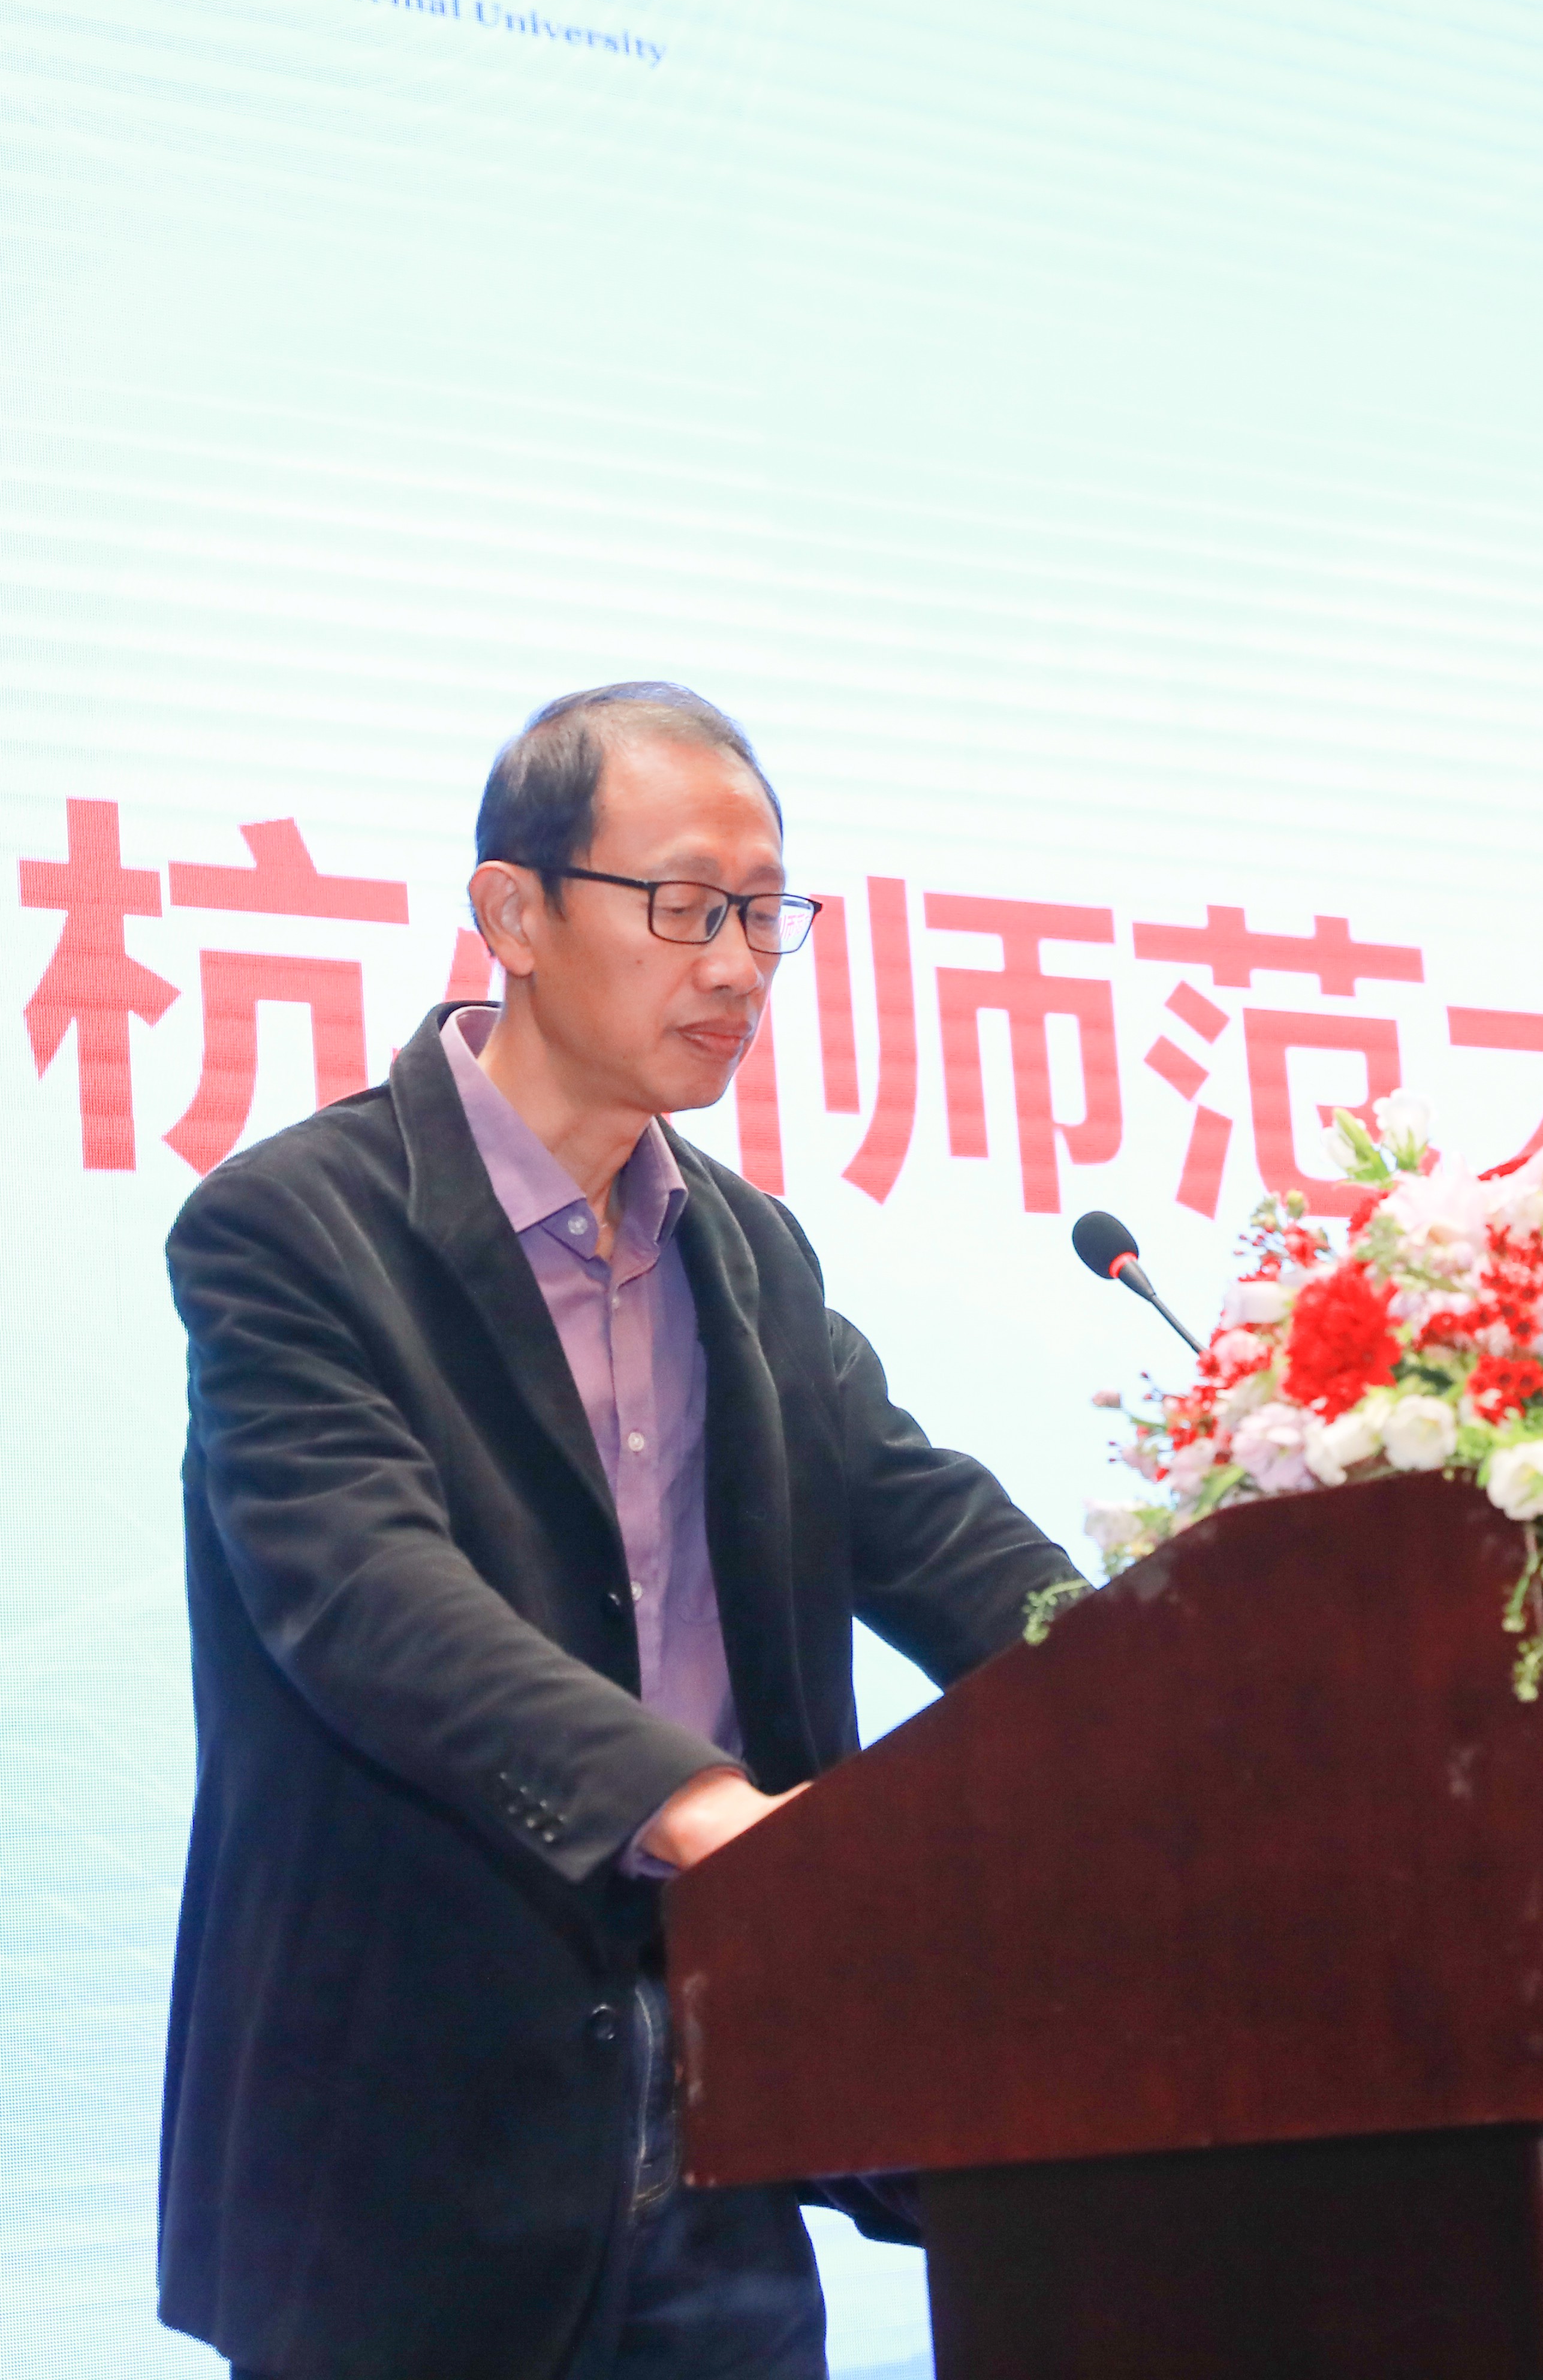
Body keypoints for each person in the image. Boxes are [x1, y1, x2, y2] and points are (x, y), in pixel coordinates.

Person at [155, 684, 1083, 2380]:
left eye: (765, 915)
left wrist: (1177, 1690)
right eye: (684, 908)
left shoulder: (748, 1250)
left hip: (730, 2110)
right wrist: (703, 1811)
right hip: (414, 2151)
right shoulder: (292, 1231)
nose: (736, 967)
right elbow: (368, 1598)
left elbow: (935, 1528)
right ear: (513, 913)